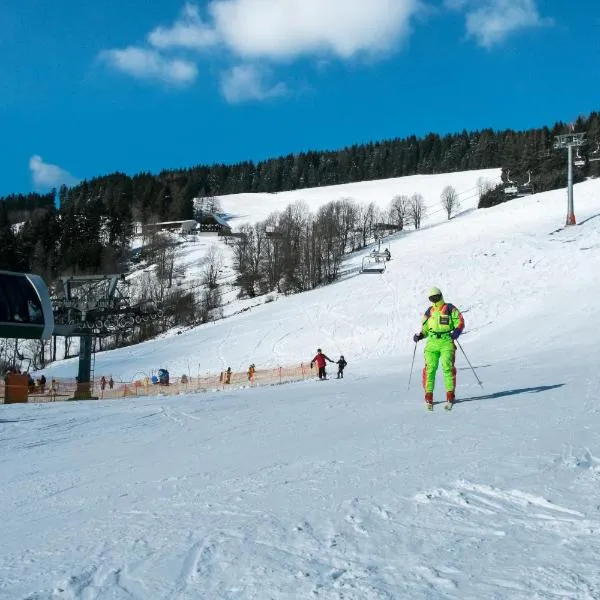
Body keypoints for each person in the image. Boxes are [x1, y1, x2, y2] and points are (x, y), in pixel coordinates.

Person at [413, 287, 464, 409]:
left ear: (440, 296)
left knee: (447, 366)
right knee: (430, 368)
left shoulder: (449, 308)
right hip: (432, 343)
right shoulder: (429, 311)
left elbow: (460, 321)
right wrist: (420, 335)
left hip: (446, 341)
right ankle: (428, 395)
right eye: (432, 298)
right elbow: (425, 328)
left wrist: (457, 331)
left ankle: (450, 394)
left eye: (436, 297)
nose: (434, 300)